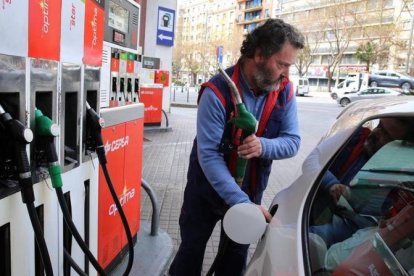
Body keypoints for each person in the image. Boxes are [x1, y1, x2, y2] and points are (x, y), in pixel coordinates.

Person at [168, 19, 305, 276]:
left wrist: (262, 146)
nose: (286, 73)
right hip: (205, 189)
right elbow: (208, 155)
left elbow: (293, 142)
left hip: (251, 188)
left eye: (289, 66)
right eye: (282, 64)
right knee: (191, 250)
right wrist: (242, 203)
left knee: (234, 258)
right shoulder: (216, 92)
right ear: (259, 55)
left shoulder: (284, 91)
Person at [311, 117, 414, 247]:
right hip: (309, 210)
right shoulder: (355, 137)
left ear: (400, 148)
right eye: (379, 125)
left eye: (386, 135)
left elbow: (361, 225)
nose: (376, 132)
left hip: (328, 235)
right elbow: (312, 160)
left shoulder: (396, 177)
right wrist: (331, 183)